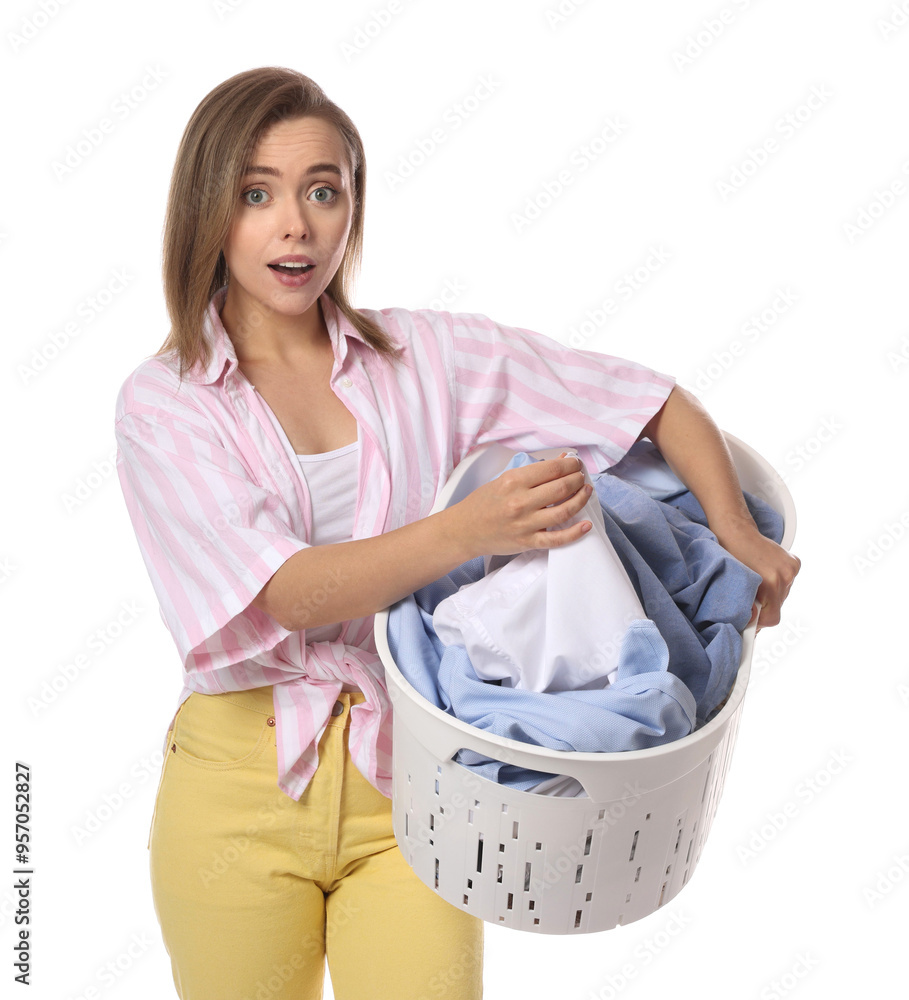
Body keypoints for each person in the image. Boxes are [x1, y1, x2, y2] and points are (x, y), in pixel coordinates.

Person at [114, 66, 800, 1000]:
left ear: (352, 207)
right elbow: (286, 592)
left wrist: (734, 529)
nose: (296, 225)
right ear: (208, 211)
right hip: (237, 781)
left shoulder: (427, 357)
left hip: (424, 776)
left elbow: (646, 400)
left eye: (324, 190)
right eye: (255, 193)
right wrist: (465, 529)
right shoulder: (167, 405)